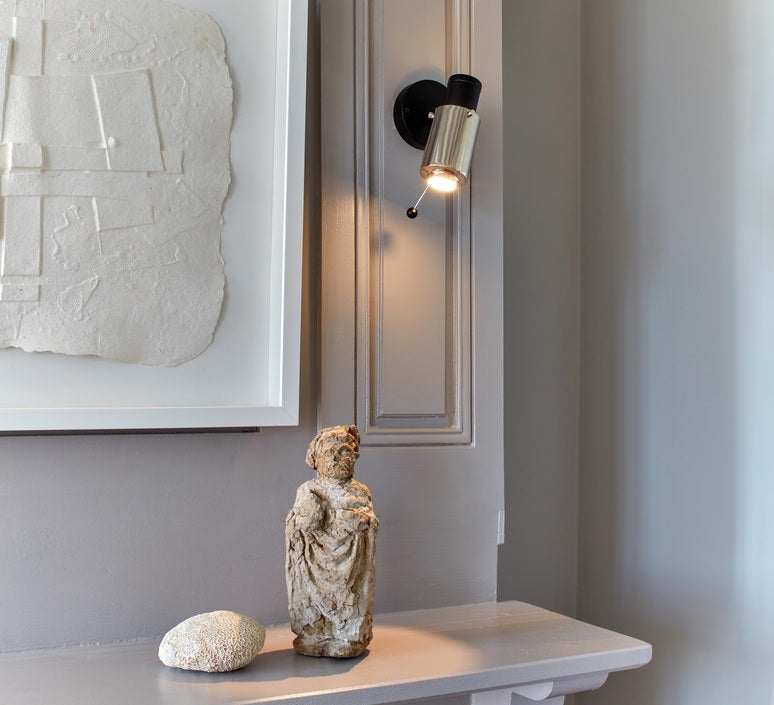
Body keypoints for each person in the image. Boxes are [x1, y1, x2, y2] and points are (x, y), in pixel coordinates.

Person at [285, 425, 378, 658]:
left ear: (354, 456)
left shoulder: (360, 491)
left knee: (350, 594)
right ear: (315, 459)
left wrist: (359, 521)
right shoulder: (308, 490)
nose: (336, 458)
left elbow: (370, 523)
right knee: (311, 596)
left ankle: (348, 636)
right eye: (329, 452)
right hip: (314, 563)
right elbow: (298, 526)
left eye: (344, 451)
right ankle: (312, 634)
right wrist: (306, 516)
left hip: (350, 565)